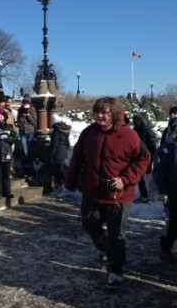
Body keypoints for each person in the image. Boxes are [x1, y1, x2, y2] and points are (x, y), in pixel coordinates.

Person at [65, 97, 152, 290]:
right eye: (97, 112)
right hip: (92, 191)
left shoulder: (128, 135)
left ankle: (115, 269)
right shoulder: (89, 133)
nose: (100, 115)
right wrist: (70, 181)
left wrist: (126, 179)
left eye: (104, 112)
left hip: (118, 195)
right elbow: (77, 158)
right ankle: (105, 248)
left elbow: (144, 158)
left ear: (113, 113)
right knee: (89, 222)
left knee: (116, 234)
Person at [152, 117, 177, 263]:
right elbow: (158, 171)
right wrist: (163, 191)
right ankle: (165, 249)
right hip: (172, 194)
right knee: (172, 222)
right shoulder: (164, 149)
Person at [0, 110, 17, 201]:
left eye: (1, 115)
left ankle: (7, 192)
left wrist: (7, 138)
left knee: (6, 174)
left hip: (7, 153)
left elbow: (14, 138)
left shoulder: (9, 127)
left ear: (5, 117)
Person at [131, 113, 159, 203]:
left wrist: (150, 162)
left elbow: (152, 148)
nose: (137, 122)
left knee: (145, 178)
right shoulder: (134, 131)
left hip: (146, 158)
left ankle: (147, 196)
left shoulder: (148, 132)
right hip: (135, 157)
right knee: (138, 178)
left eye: (139, 120)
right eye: (136, 120)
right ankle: (143, 195)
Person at [16, 95, 37, 178]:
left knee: (30, 150)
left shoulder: (33, 110)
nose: (26, 104)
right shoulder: (20, 110)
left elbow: (34, 122)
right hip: (23, 132)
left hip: (30, 132)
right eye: (24, 102)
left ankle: (29, 168)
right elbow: (19, 123)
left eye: (27, 102)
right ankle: (27, 167)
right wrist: (23, 117)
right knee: (25, 151)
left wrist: (28, 116)